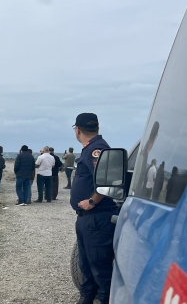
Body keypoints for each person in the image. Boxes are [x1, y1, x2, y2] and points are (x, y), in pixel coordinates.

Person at [70, 113, 118, 304]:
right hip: (87, 218)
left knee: (100, 265)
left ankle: (105, 299)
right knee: (86, 264)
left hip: (97, 217)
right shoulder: (90, 148)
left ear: (78, 130)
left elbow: (108, 180)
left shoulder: (97, 149)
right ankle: (87, 297)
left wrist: (92, 200)